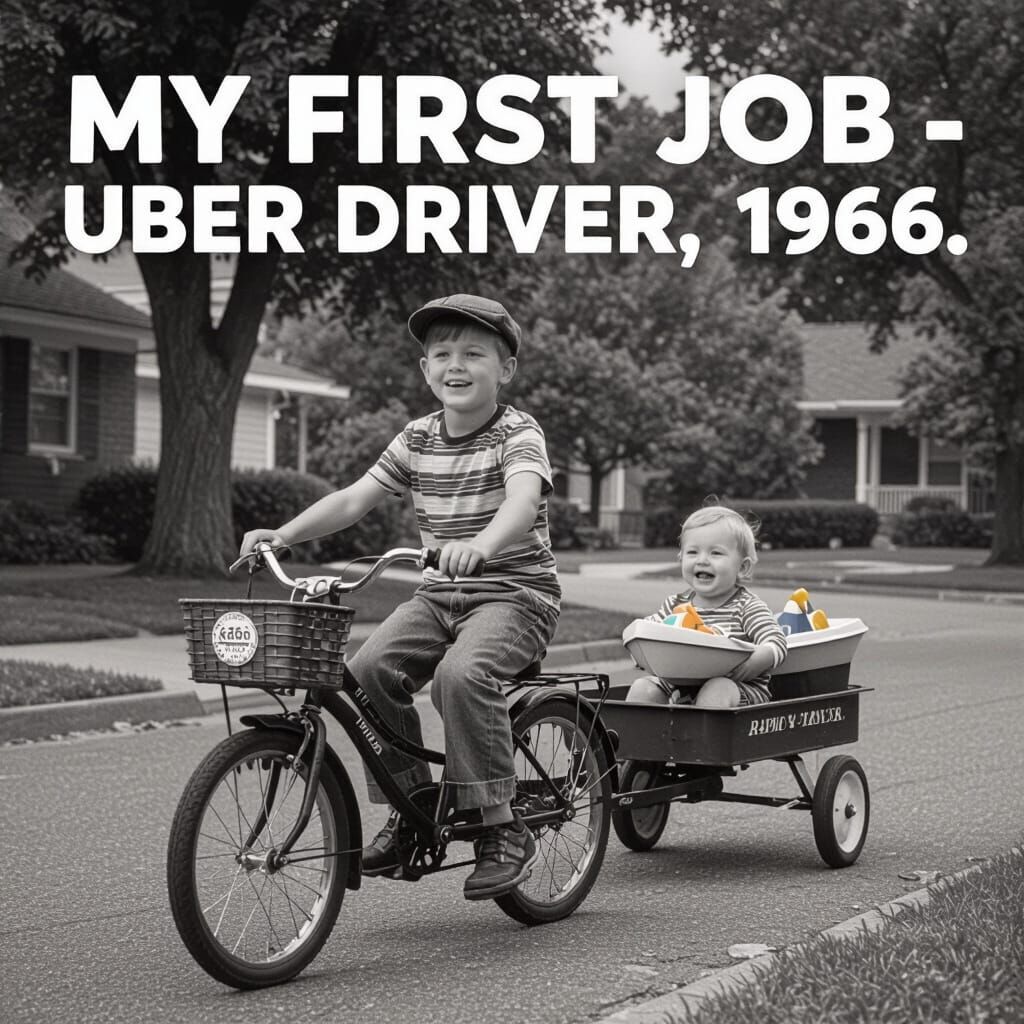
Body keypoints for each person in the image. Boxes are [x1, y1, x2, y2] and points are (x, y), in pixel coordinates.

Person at [239, 294, 559, 901]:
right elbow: (353, 498)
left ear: (506, 370)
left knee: (461, 677)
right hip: (440, 595)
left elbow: (521, 503)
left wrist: (481, 545)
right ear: (425, 370)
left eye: (473, 354)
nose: (455, 365)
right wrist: (283, 534)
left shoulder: (518, 432)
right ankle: (412, 808)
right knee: (365, 672)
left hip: (516, 594)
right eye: (442, 354)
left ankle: (501, 826)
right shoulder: (417, 437)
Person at [627, 505, 787, 708]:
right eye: (692, 552)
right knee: (643, 688)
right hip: (680, 684)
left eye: (716, 553)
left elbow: (777, 640)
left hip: (736, 687)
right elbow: (646, 634)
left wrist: (758, 660)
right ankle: (643, 738)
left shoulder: (746, 606)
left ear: (742, 567)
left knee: (717, 688)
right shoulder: (675, 605)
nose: (702, 560)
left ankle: (705, 737)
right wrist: (641, 653)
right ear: (681, 559)